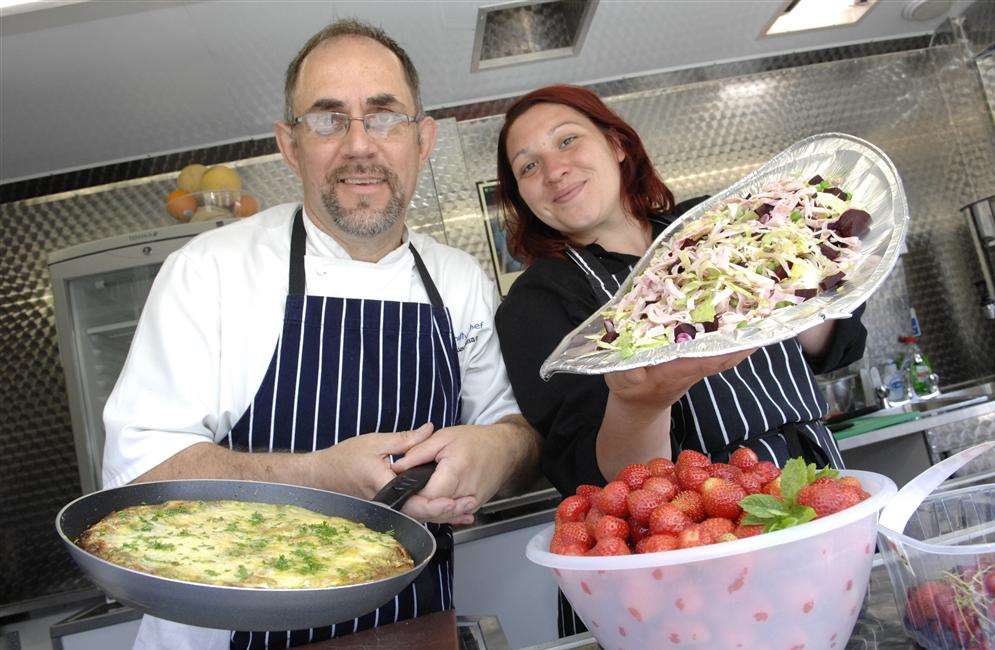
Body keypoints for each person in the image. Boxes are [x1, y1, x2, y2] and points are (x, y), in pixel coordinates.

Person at [102, 20, 540, 650]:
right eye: (329, 119)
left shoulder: (457, 278)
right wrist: (324, 476)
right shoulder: (211, 269)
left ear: (423, 139)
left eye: (384, 115)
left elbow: (514, 431)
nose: (360, 144)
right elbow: (141, 475)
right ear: (290, 144)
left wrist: (497, 453)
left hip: (411, 627)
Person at [492, 85, 867, 637]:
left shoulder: (714, 223)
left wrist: (796, 276)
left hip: (811, 493)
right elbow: (601, 482)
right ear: (522, 196)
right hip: (683, 549)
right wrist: (642, 403)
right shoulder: (536, 304)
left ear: (616, 143)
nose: (554, 170)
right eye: (528, 166)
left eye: (568, 140)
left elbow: (836, 345)